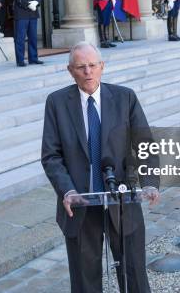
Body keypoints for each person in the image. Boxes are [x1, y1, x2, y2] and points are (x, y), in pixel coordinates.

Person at [41, 41, 160, 293]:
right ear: (70, 70)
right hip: (81, 205)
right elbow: (51, 156)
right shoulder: (57, 102)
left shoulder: (124, 98)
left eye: (92, 65)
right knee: (86, 281)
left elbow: (145, 145)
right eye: (81, 67)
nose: (88, 72)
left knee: (134, 276)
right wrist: (68, 191)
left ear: (102, 67)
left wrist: (149, 182)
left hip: (122, 201)